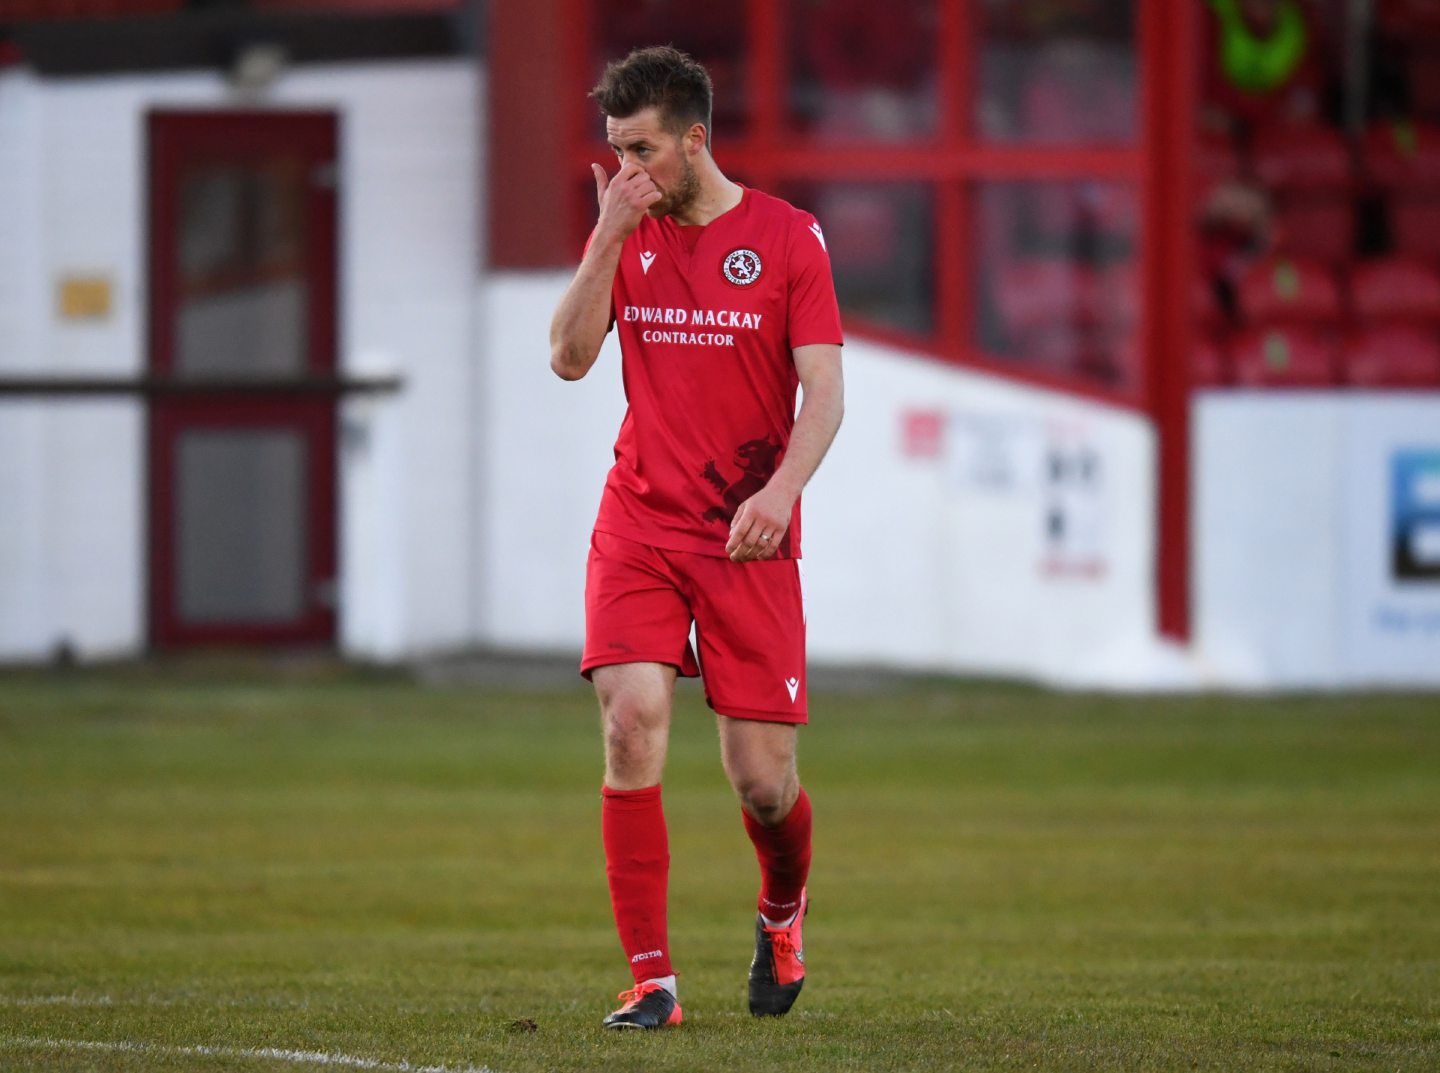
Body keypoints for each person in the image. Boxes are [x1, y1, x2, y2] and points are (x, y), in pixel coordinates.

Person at [548, 45, 845, 1031]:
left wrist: (782, 489)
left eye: (642, 150)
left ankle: (782, 906)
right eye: (615, 151)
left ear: (695, 141)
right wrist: (604, 236)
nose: (627, 170)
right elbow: (568, 359)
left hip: (747, 534)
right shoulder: (624, 229)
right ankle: (652, 981)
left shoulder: (789, 238)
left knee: (763, 783)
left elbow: (826, 394)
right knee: (630, 722)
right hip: (639, 518)